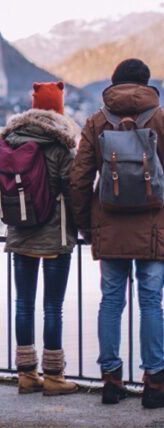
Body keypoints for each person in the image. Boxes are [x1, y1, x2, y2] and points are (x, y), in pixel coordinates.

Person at [70, 58, 164, 408]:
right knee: (151, 301)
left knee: (111, 302)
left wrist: (85, 225)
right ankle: (155, 383)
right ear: (146, 83)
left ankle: (111, 380)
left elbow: (79, 180)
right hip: (154, 227)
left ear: (113, 83)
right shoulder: (160, 117)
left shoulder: (97, 121)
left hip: (108, 225)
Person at [0, 81, 79, 395]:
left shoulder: (11, 140)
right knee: (53, 308)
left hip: (19, 233)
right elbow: (73, 190)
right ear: (59, 108)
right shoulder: (59, 145)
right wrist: (81, 227)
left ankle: (26, 375)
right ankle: (55, 377)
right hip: (55, 236)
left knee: (23, 305)